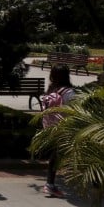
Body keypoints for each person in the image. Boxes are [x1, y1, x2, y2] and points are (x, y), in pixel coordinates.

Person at [41, 64, 76, 198]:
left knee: (55, 156)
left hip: (50, 128)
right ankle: (98, 185)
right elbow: (74, 111)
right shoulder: (68, 93)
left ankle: (50, 184)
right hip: (65, 128)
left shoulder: (51, 90)